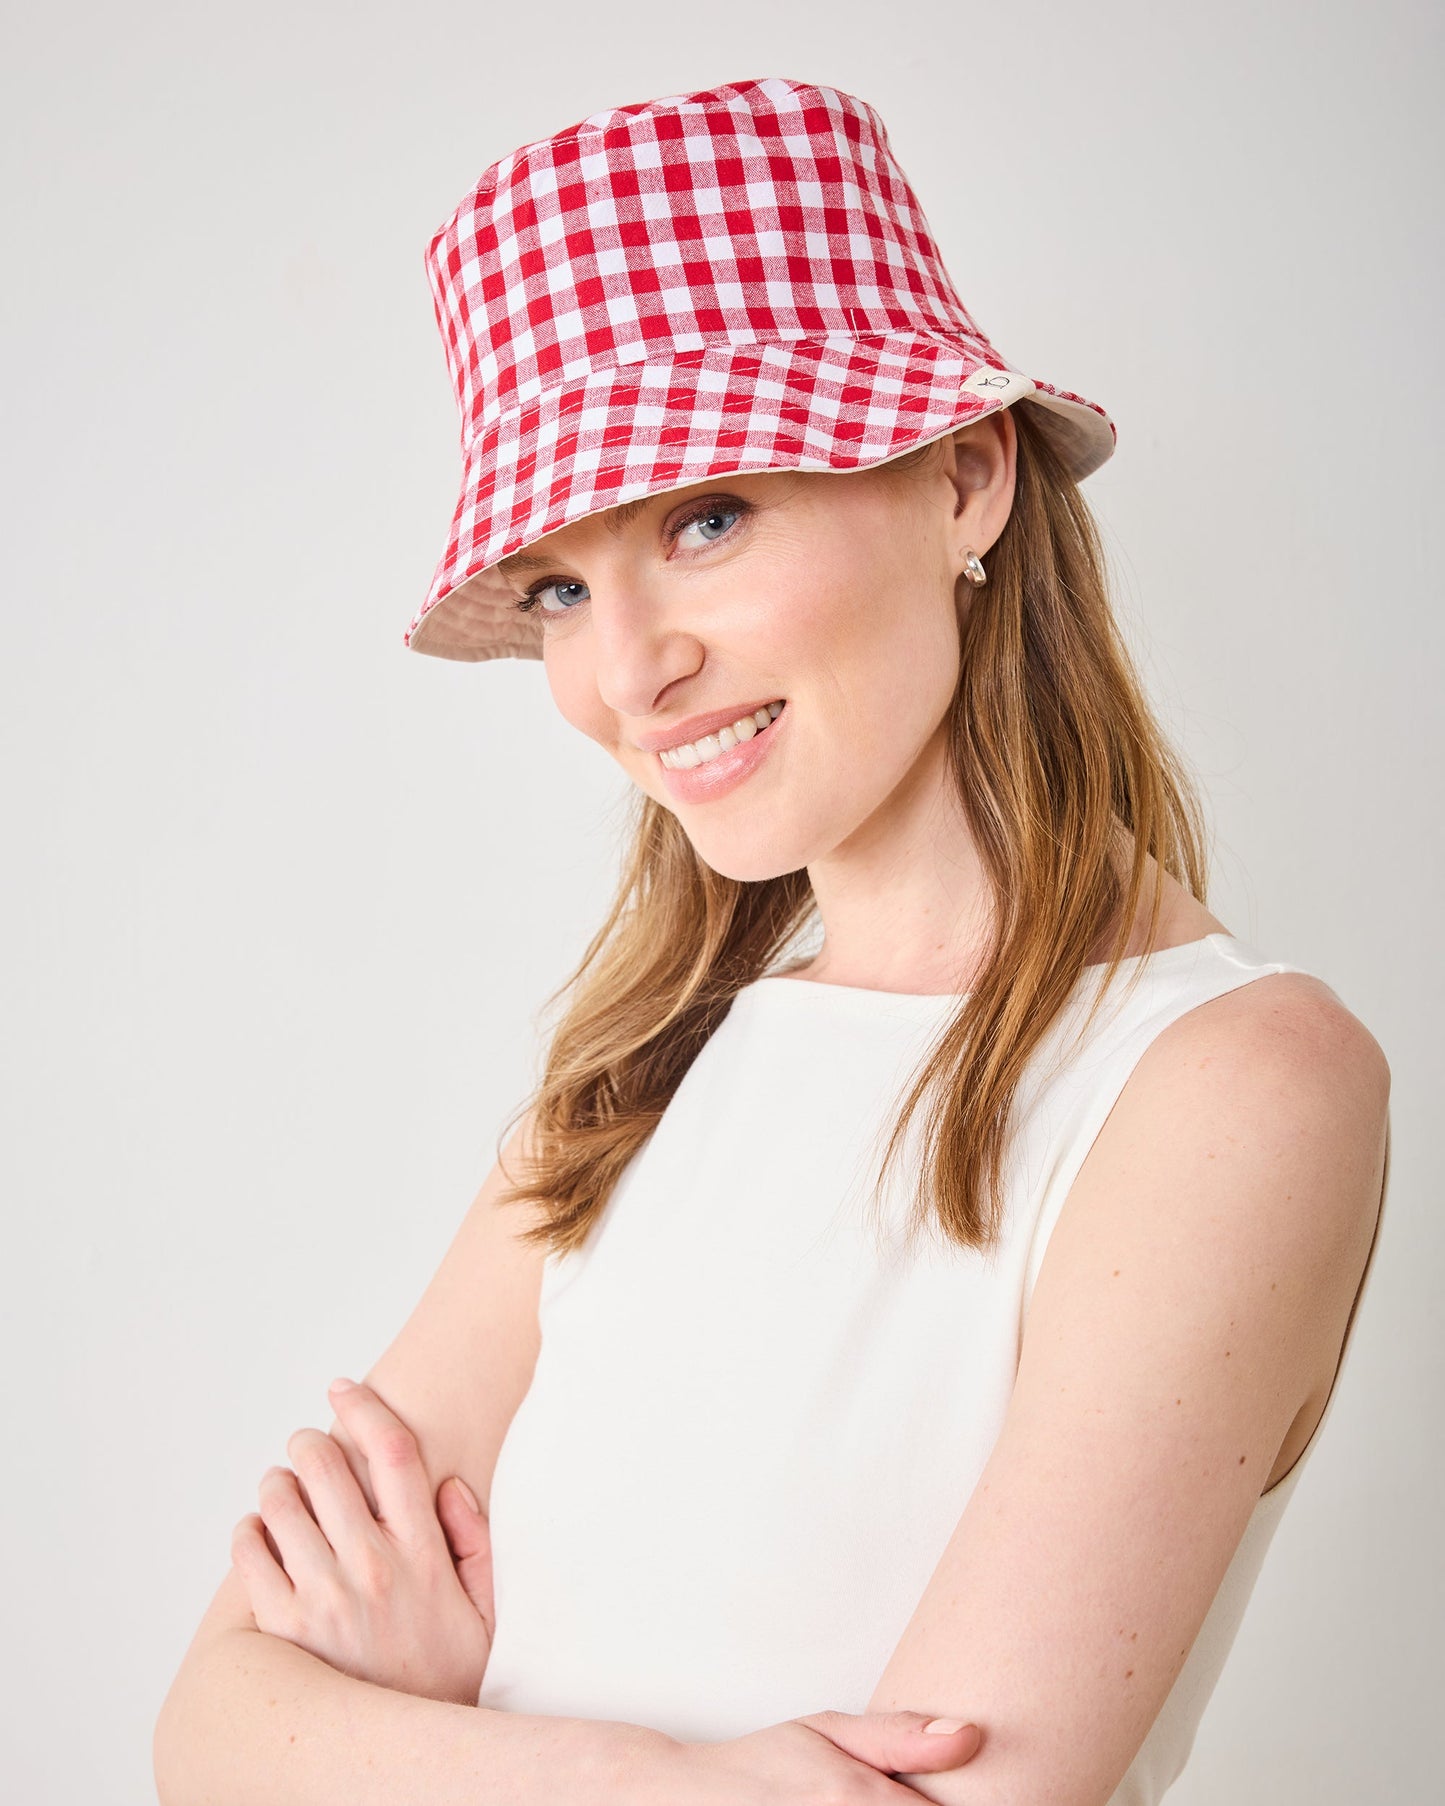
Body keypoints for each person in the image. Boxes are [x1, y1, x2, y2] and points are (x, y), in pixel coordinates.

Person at [154, 77, 1392, 1806]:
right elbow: (209, 1733)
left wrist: (433, 1733)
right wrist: (651, 1776)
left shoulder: (1231, 1081)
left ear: (966, 476)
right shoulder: (630, 1091)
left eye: (705, 518)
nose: (626, 667)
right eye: (566, 586)